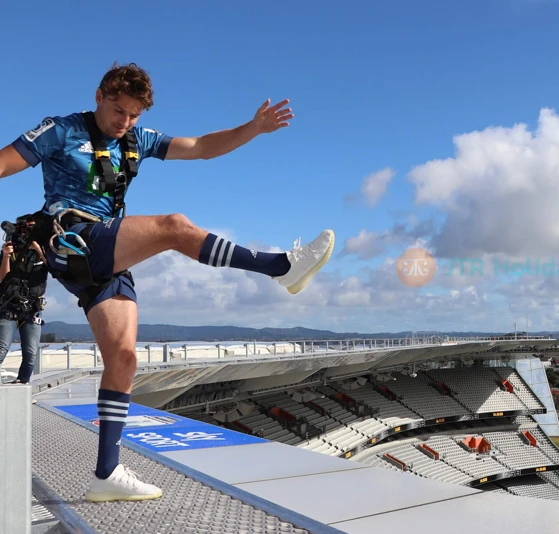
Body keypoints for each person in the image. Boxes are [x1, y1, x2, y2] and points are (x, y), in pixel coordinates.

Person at [0, 62, 335, 502]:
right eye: (118, 110)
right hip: (72, 239)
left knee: (122, 358)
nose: (125, 122)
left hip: (104, 258)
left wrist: (253, 128)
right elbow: (4, 163)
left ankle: (105, 475)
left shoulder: (138, 139)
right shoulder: (61, 130)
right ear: (99, 96)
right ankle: (280, 267)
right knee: (175, 226)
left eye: (134, 114)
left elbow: (199, 147)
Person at [0, 223, 47, 384]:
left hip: (32, 308)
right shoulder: (11, 252)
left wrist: (38, 249)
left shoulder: (42, 253)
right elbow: (3, 280)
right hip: (9, 306)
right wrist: (6, 256)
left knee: (31, 353)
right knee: (1, 349)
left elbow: (55, 269)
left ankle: (22, 383)